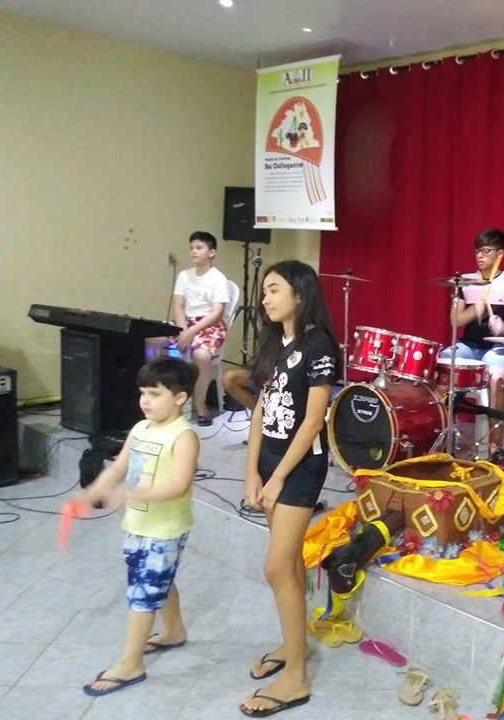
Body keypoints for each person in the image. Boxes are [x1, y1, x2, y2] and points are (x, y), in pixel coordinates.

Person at [241, 260, 341, 717]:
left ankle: (296, 677)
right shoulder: (274, 343)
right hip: (270, 463)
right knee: (290, 565)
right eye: (264, 291)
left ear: (300, 294)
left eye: (274, 289)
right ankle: (292, 644)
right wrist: (252, 472)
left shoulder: (319, 345)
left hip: (300, 468)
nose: (265, 298)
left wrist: (279, 476)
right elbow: (261, 411)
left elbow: (313, 421)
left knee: (276, 567)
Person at [78, 358, 200, 697]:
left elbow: (179, 485)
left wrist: (132, 494)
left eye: (155, 394)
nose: (145, 401)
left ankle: (131, 663)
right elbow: (119, 467)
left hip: (165, 528)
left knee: (143, 592)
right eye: (143, 393)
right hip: (138, 523)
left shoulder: (184, 436)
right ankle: (174, 631)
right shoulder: (140, 429)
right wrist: (96, 489)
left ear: (180, 398)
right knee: (157, 580)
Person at [441, 227, 504, 464]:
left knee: (497, 376)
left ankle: (495, 448)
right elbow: (455, 321)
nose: (480, 256)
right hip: (469, 346)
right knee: (444, 362)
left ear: (500, 253)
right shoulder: (464, 282)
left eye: (486, 251)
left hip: (498, 349)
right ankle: (443, 433)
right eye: (477, 251)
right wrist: (475, 310)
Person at [170, 230, 233, 426]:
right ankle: (161, 397)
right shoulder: (184, 275)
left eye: (199, 248)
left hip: (208, 324)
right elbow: (177, 305)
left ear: (211, 253)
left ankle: (201, 406)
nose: (193, 252)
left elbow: (217, 312)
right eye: (191, 248)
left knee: (201, 356)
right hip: (184, 322)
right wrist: (183, 330)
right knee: (150, 340)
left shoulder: (218, 278)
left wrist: (191, 332)